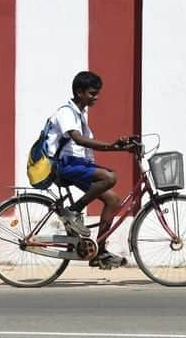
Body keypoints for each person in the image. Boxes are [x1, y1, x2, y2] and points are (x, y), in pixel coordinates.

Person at [48, 71, 136, 269]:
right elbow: (78, 140)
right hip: (65, 164)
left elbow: (84, 147)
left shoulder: (80, 115)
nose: (96, 97)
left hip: (78, 164)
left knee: (113, 200)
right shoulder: (66, 113)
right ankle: (73, 211)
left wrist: (120, 147)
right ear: (79, 92)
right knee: (110, 177)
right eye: (92, 93)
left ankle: (100, 252)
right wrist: (111, 146)